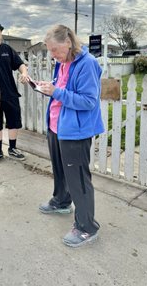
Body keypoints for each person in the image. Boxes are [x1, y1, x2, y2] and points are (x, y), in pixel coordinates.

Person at [36, 24, 104, 248]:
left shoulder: (88, 64)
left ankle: (87, 227)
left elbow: (88, 101)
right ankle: (61, 201)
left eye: (55, 50)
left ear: (68, 42)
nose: (53, 55)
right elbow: (62, 87)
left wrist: (56, 92)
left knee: (79, 180)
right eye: (50, 51)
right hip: (57, 126)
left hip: (76, 131)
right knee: (60, 170)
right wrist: (48, 87)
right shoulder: (63, 63)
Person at [0, 20, 28, 164]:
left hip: (10, 93)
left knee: (13, 122)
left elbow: (20, 64)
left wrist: (24, 73)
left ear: (1, 34)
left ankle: (12, 149)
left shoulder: (7, 50)